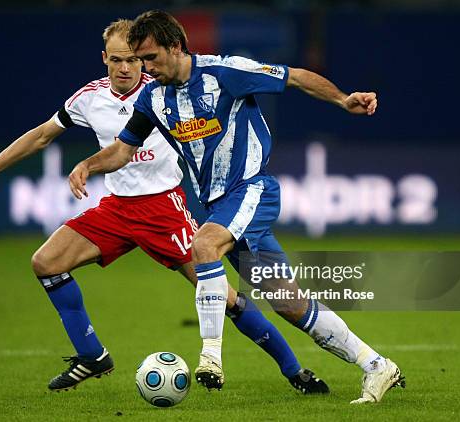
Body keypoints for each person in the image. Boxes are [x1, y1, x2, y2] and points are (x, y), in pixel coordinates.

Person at [0, 19, 329, 395]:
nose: (126, 68)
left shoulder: (162, 91)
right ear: (104, 59)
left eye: (133, 59)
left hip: (164, 211)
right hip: (116, 210)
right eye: (116, 60)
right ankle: (92, 355)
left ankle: (294, 370)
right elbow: (43, 134)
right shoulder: (89, 98)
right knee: (45, 263)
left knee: (224, 297)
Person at [67, 10, 405, 404]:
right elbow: (124, 150)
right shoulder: (153, 97)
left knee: (203, 245)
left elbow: (293, 76)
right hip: (218, 205)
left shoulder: (226, 73)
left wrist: (343, 99)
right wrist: (88, 165)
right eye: (141, 61)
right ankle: (376, 364)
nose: (146, 68)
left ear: (176, 46)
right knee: (288, 302)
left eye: (151, 58)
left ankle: (210, 355)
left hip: (252, 188)